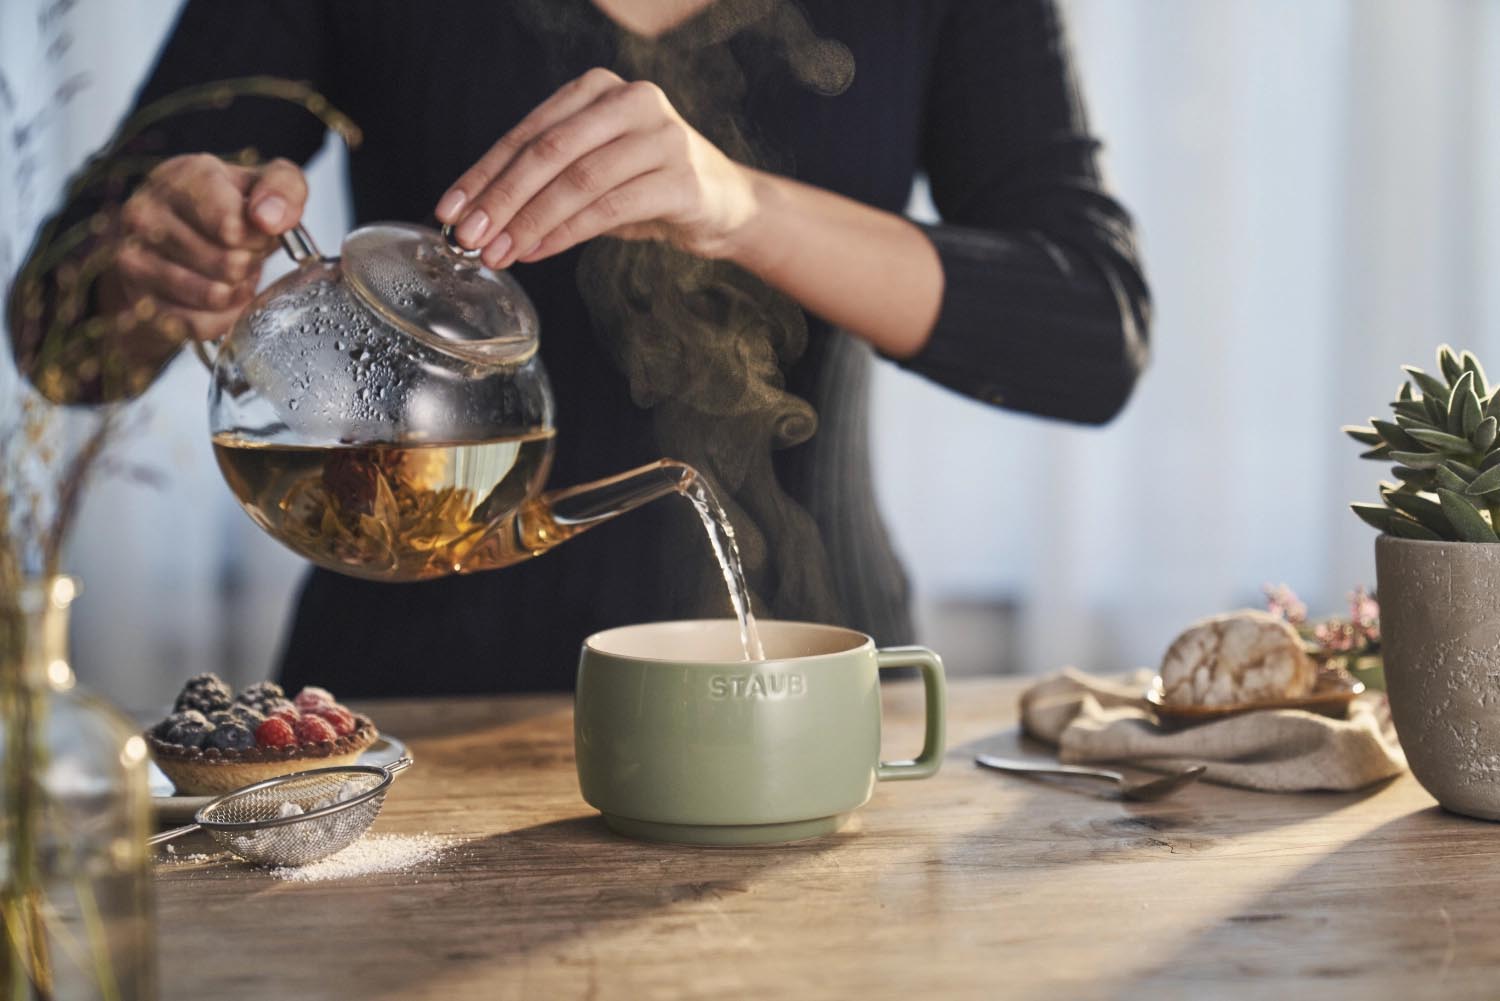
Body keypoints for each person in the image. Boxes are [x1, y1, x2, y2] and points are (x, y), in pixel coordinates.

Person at [9, 0, 1150, 696]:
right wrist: (155, 257)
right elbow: (65, 347)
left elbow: (1094, 334)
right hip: (418, 711)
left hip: (800, 688)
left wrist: (741, 205)